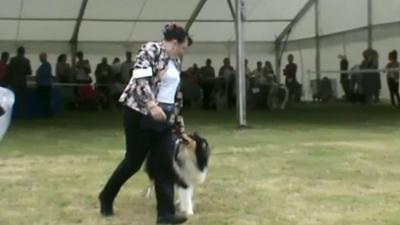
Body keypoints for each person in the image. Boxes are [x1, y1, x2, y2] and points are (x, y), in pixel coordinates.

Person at [99, 23, 193, 224]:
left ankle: (165, 214)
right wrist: (151, 105)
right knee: (133, 162)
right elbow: (140, 77)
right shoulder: (151, 50)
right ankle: (106, 196)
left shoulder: (175, 62)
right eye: (183, 47)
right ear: (174, 43)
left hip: (164, 120)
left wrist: (179, 127)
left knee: (164, 164)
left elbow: (176, 96)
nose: (183, 52)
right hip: (139, 115)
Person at [5, 47, 32, 117]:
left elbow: (8, 71)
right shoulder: (26, 61)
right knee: (22, 100)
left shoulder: (13, 60)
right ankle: (22, 114)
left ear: (17, 51)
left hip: (14, 83)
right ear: (23, 52)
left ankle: (13, 114)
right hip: (22, 83)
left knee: (13, 99)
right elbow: (29, 72)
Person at [36, 53, 53, 117]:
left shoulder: (47, 65)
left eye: (41, 57)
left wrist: (38, 77)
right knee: (44, 100)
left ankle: (48, 113)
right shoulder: (43, 66)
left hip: (45, 85)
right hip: (43, 85)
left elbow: (44, 75)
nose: (40, 59)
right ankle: (46, 113)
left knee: (46, 100)